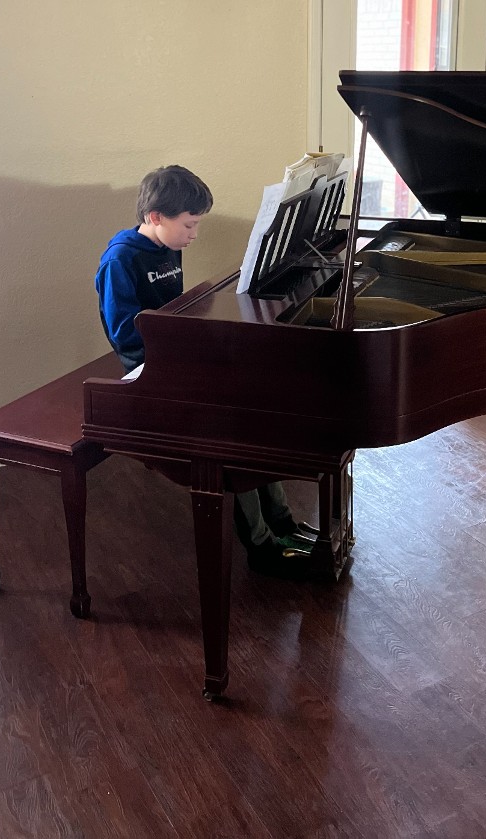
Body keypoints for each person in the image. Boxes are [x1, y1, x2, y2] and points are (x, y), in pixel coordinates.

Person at [94, 164, 315, 577]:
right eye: (190, 225)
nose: (194, 234)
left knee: (254, 410)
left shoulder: (168, 245)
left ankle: (283, 522)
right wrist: (178, 345)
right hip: (144, 367)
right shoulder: (120, 260)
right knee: (226, 430)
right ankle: (261, 544)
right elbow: (124, 332)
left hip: (174, 354)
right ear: (156, 217)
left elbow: (175, 310)